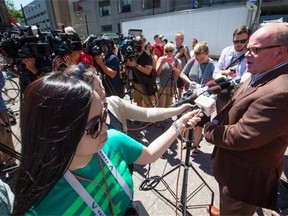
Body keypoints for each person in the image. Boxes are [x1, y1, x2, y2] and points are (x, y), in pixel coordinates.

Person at [12, 72, 202, 215]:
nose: (105, 126)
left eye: (104, 115)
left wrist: (178, 124)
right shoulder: (40, 205)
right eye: (94, 125)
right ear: (59, 133)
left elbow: (150, 154)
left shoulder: (113, 141)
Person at [204, 23, 288, 215]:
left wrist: (209, 129)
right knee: (228, 206)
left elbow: (242, 136)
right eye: (247, 48)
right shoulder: (261, 72)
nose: (246, 54)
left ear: (280, 51)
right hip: (231, 170)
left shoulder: (282, 91)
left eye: (255, 50)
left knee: (235, 210)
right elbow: (238, 103)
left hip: (243, 181)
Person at [180, 41, 219, 156]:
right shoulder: (193, 60)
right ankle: (186, 141)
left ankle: (195, 145)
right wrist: (190, 82)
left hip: (205, 98)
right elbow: (182, 74)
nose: (199, 61)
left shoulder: (213, 64)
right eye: (197, 58)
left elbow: (217, 75)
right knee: (187, 119)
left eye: (201, 58)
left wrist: (219, 77)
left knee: (199, 124)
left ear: (207, 54)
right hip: (192, 95)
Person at [215, 25, 251, 111]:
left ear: (248, 40)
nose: (239, 44)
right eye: (236, 41)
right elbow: (217, 70)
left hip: (239, 91)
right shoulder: (226, 51)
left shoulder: (249, 54)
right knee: (220, 115)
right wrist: (225, 72)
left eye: (242, 41)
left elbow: (247, 76)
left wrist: (234, 87)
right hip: (223, 89)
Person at [126, 35, 157, 107]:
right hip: (135, 83)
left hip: (145, 84)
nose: (138, 47)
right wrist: (127, 64)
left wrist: (135, 65)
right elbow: (127, 68)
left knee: (148, 104)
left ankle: (150, 117)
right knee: (139, 103)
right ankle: (141, 117)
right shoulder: (133, 54)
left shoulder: (147, 56)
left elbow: (148, 71)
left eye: (140, 45)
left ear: (143, 45)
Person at [156, 42, 182, 108]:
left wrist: (173, 66)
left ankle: (166, 118)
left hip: (171, 86)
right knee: (161, 104)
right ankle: (160, 118)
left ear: (173, 51)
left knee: (168, 105)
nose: (169, 53)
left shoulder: (177, 61)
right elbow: (157, 73)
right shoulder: (161, 59)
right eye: (167, 51)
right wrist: (161, 64)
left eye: (170, 51)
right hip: (161, 85)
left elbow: (179, 74)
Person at [174, 32, 191, 99]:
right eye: (180, 38)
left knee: (180, 87)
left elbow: (189, 60)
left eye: (183, 38)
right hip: (174, 71)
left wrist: (185, 54)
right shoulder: (172, 48)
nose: (182, 40)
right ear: (176, 39)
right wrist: (179, 54)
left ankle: (179, 98)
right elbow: (169, 60)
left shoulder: (185, 48)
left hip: (182, 71)